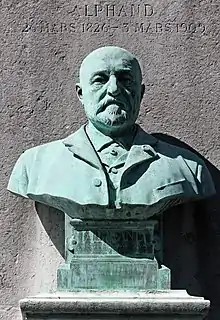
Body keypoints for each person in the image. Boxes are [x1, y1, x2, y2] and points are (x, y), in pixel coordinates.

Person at [7, 46, 215, 220]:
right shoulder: (35, 165)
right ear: (81, 93)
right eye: (100, 80)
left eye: (125, 79)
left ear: (140, 93)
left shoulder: (188, 168)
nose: (114, 89)